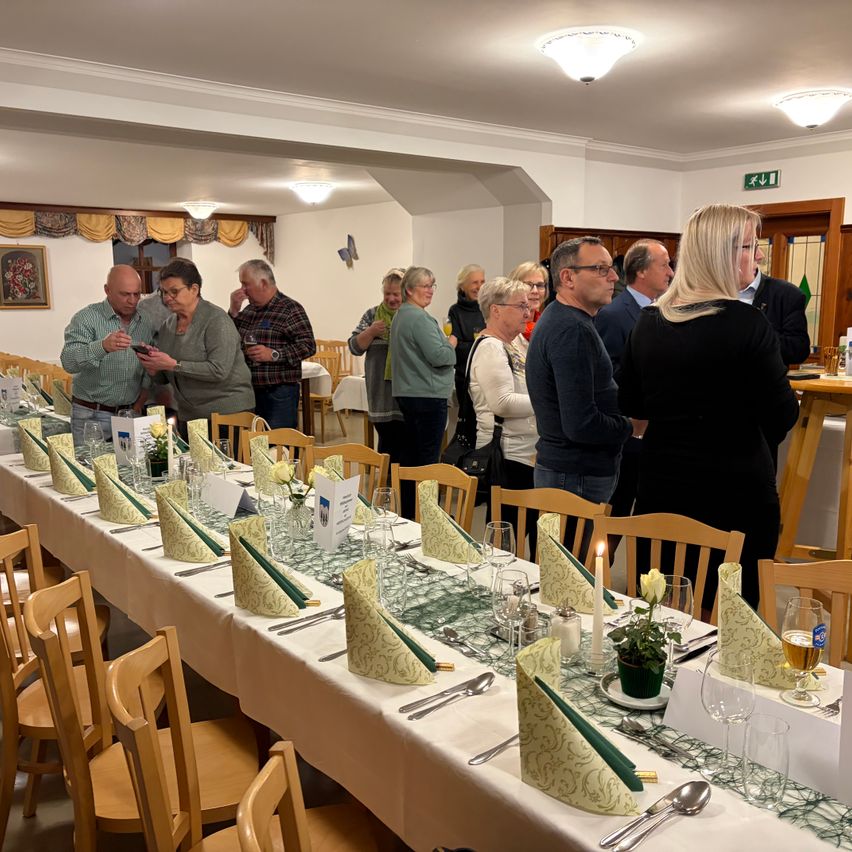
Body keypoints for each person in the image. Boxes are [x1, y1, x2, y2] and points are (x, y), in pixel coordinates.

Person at [618, 204, 799, 608]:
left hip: (663, 484)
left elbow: (632, 403)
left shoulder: (649, 320)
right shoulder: (747, 322)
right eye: (751, 246)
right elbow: (783, 415)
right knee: (735, 617)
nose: (759, 257)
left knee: (661, 613)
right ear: (720, 253)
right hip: (735, 489)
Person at [526, 238, 640, 504]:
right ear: (568, 277)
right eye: (601, 269)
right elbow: (580, 424)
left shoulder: (567, 319)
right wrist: (631, 426)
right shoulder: (572, 329)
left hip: (572, 471)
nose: (613, 277)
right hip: (575, 474)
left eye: (611, 268)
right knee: (570, 548)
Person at [595, 240, 674, 525]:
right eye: (664, 264)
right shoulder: (614, 315)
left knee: (648, 518)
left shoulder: (666, 311)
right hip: (628, 432)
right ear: (641, 270)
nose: (670, 272)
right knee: (616, 514)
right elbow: (607, 374)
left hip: (657, 431)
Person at [136, 258, 254, 425]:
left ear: (194, 289)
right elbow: (164, 378)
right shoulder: (168, 327)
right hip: (189, 414)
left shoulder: (216, 319)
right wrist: (153, 365)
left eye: (174, 291)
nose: (168, 298)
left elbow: (219, 370)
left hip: (228, 414)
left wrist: (174, 364)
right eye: (163, 292)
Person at [469, 277, 537, 550]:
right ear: (495, 310)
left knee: (526, 534)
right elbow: (503, 404)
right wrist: (548, 401)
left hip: (524, 454)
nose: (528, 311)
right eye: (520, 305)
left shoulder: (515, 342)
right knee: (507, 542)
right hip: (508, 456)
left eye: (528, 305)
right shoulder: (490, 347)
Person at [60, 264, 155, 448]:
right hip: (91, 415)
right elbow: (68, 361)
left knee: (129, 472)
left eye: (137, 294)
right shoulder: (86, 318)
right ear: (107, 290)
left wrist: (139, 403)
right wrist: (102, 346)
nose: (132, 300)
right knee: (89, 472)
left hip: (129, 414)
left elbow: (147, 371)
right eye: (125, 294)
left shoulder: (145, 322)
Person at [228, 259, 316, 428]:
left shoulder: (290, 309)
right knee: (254, 445)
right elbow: (230, 339)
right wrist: (233, 311)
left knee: (278, 446)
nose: (242, 290)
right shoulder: (248, 311)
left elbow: (308, 345)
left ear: (263, 283)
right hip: (248, 391)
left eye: (246, 284)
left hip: (278, 392)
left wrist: (274, 354)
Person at [390, 266, 456, 469]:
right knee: (426, 459)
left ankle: (409, 500)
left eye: (432, 285)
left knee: (412, 455)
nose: (430, 290)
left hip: (410, 392)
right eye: (425, 286)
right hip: (427, 394)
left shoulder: (401, 315)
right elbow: (439, 356)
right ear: (409, 290)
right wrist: (450, 344)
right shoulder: (420, 318)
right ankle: (423, 501)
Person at [348, 268, 407, 463]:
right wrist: (371, 332)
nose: (391, 299)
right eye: (387, 294)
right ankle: (386, 487)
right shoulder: (372, 315)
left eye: (396, 294)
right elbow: (355, 347)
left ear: (405, 293)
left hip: (406, 393)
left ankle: (400, 486)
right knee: (386, 445)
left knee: (404, 445)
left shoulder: (411, 316)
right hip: (380, 393)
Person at [739, 257, 810, 367]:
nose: (760, 255)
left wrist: (755, 335)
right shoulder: (706, 294)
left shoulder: (787, 294)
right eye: (749, 247)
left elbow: (798, 350)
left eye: (754, 246)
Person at [448, 264, 485, 406]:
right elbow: (456, 348)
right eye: (475, 282)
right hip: (464, 377)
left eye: (482, 282)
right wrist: (479, 345)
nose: (479, 286)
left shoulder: (488, 308)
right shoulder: (455, 311)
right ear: (462, 286)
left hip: (486, 376)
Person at [509, 261, 549, 344]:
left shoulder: (548, 325)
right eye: (528, 285)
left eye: (540, 285)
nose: (535, 291)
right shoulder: (505, 328)